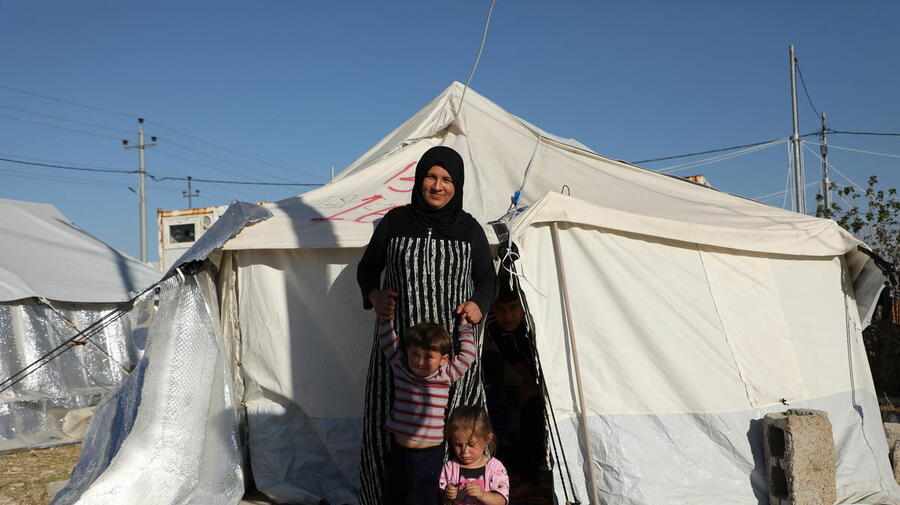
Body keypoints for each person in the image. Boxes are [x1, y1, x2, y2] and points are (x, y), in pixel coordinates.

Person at [356, 145, 497, 505]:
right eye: (431, 177)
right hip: (399, 351)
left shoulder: (469, 229)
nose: (438, 186)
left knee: (457, 429)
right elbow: (367, 268)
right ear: (419, 180)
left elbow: (487, 278)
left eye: (447, 179)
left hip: (452, 355)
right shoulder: (395, 221)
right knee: (387, 429)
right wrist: (374, 295)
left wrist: (479, 305)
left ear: (457, 185)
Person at [378, 314, 477, 505]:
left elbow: (468, 356)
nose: (420, 361)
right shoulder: (401, 368)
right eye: (415, 354)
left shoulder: (445, 375)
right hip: (399, 449)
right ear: (407, 352)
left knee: (424, 497)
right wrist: (387, 317)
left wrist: (464, 327)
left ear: (443, 359)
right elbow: (388, 343)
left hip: (429, 453)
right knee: (394, 493)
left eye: (429, 356)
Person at [483, 275, 544, 494]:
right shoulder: (493, 326)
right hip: (528, 380)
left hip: (554, 385)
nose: (507, 316)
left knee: (532, 412)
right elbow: (516, 361)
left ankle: (531, 478)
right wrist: (528, 384)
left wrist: (537, 389)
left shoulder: (535, 324)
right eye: (501, 309)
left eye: (513, 308)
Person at [440, 405, 510, 505]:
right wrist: (447, 494)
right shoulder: (449, 467)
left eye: (471, 445)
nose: (464, 451)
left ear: (487, 439)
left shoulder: (495, 468)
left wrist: (482, 495)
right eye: (458, 445)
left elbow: (501, 501)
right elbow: (442, 501)